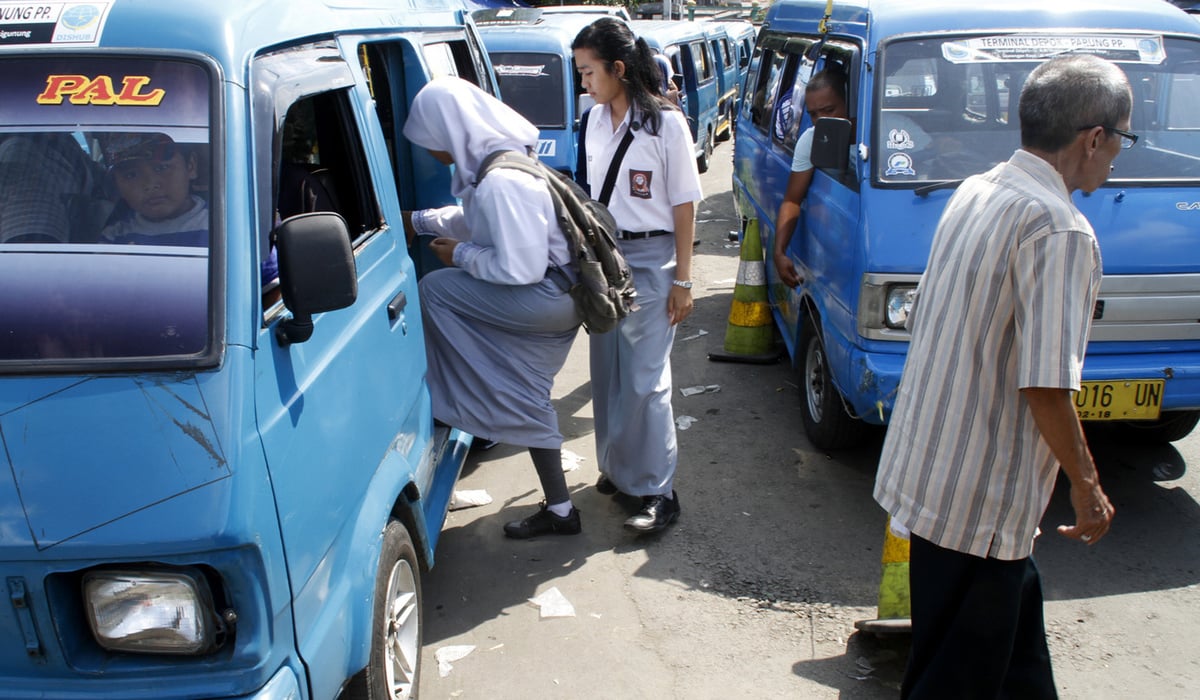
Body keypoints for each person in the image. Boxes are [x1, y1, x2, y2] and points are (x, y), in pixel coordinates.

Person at [872, 53, 1129, 698]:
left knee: (1014, 667)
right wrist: (1087, 484)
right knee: (956, 677)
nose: (1119, 153)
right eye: (1122, 137)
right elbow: (1045, 384)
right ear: (1093, 137)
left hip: (936, 478)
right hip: (980, 505)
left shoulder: (980, 188)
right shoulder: (1059, 229)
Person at [401, 77, 583, 539]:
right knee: (527, 394)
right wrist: (419, 222)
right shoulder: (496, 165)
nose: (431, 152)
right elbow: (477, 221)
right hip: (555, 294)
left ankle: (451, 403)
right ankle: (562, 510)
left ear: (451, 131)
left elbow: (517, 268)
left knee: (435, 290)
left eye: (431, 141)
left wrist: (457, 255)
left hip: (546, 296)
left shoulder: (502, 181)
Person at [572, 17, 702, 533]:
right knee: (608, 373)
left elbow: (685, 204)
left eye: (589, 72)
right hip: (605, 259)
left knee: (645, 380)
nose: (583, 83)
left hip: (653, 259)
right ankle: (617, 467)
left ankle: (657, 490)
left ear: (618, 68)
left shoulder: (666, 124)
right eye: (580, 73)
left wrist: (684, 280)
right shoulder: (591, 119)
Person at [772, 68, 848, 288]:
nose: (821, 120)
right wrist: (779, 251)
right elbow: (792, 199)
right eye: (814, 114)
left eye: (829, 110)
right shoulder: (811, 140)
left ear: (849, 103)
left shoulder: (879, 132)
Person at [101, 132, 207, 246]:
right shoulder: (115, 237)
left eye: (162, 168)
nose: (150, 185)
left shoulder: (221, 226)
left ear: (190, 166)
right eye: (131, 175)